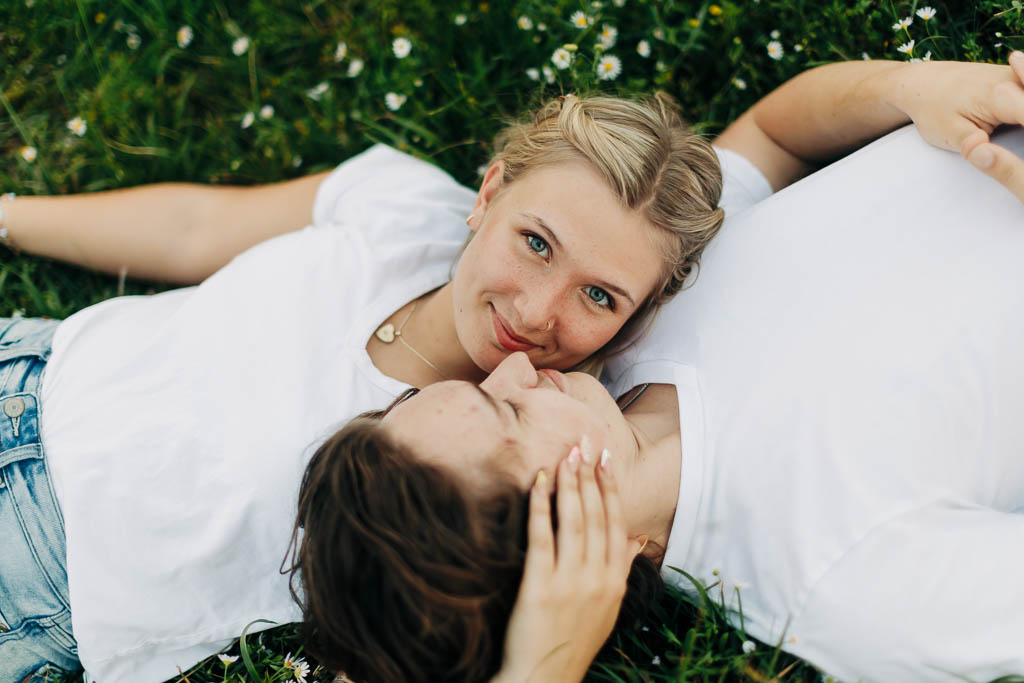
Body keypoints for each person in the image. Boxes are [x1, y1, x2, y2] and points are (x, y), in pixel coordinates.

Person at [3, 54, 1024, 681]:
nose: (521, 352)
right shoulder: (830, 568)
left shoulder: (638, 341)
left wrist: (909, 86)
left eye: (599, 297)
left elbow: (762, 137)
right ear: (487, 193)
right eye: (535, 244)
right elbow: (201, 226)